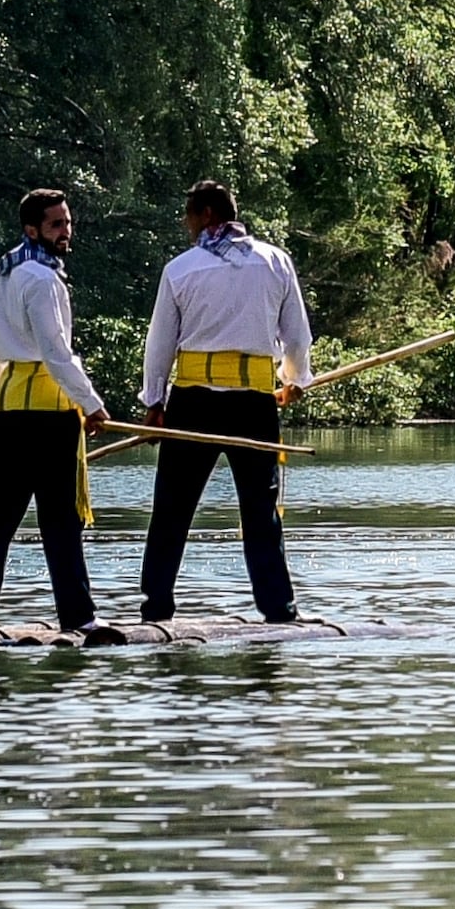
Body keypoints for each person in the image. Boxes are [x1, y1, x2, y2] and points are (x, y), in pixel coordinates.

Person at [135, 179, 311, 625]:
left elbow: (160, 344)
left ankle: (156, 607)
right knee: (260, 511)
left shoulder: (181, 269)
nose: (186, 225)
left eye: (190, 216)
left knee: (172, 508)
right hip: (253, 403)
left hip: (194, 403)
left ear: (207, 215)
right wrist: (294, 380)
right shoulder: (276, 262)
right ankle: (278, 609)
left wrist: (154, 401)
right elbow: (297, 335)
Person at [0, 187, 106, 641]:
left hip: (12, 410)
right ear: (32, 229)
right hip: (49, 412)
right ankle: (78, 617)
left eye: (67, 222)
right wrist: (91, 404)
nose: (65, 231)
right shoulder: (41, 280)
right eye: (56, 224)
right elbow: (56, 353)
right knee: (60, 520)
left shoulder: (1, 273)